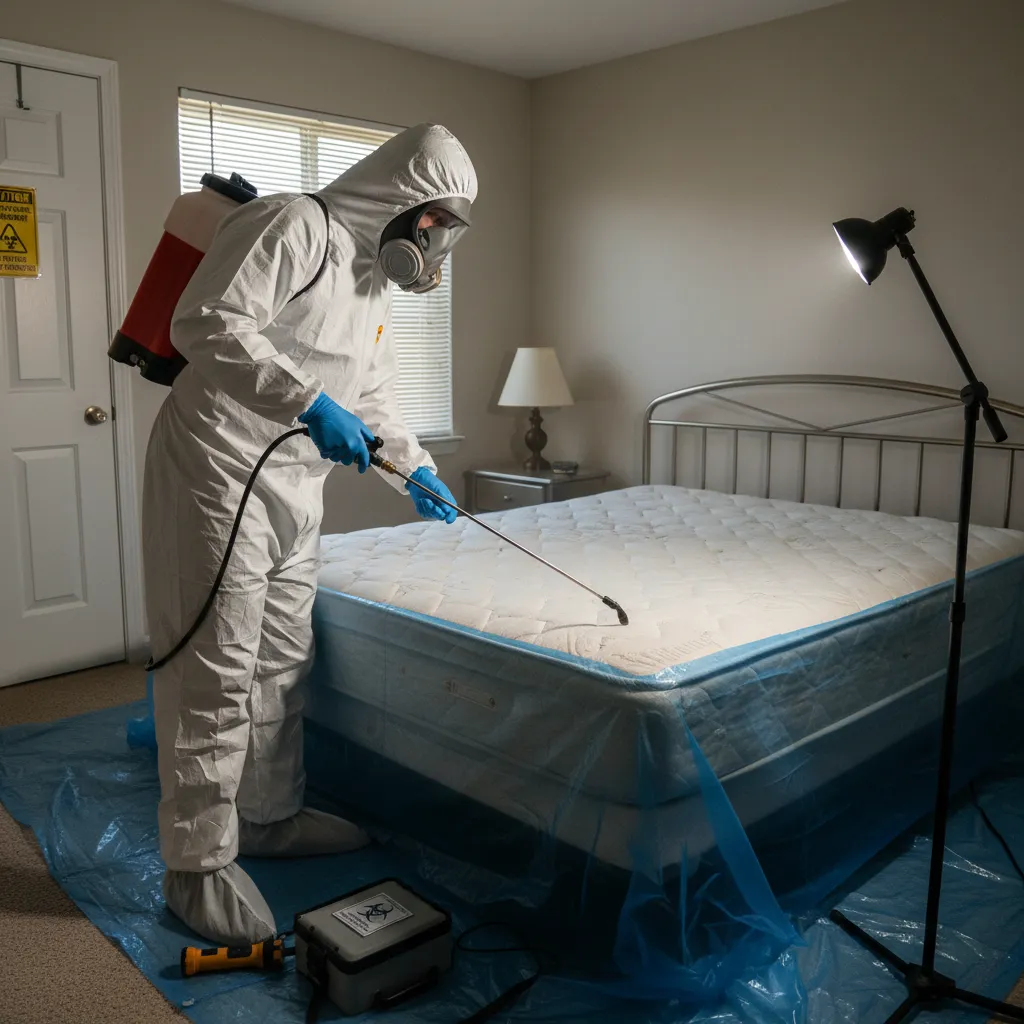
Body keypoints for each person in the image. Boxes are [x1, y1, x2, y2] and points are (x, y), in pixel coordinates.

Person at [141, 123, 476, 945]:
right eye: (434, 221)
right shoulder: (292, 224)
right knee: (216, 664)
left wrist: (415, 470)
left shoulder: (372, 285)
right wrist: (308, 402)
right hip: (218, 469)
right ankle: (197, 863)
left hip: (295, 484)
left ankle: (266, 816)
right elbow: (207, 322)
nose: (434, 241)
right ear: (400, 197)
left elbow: (376, 404)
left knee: (283, 657)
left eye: (445, 230)